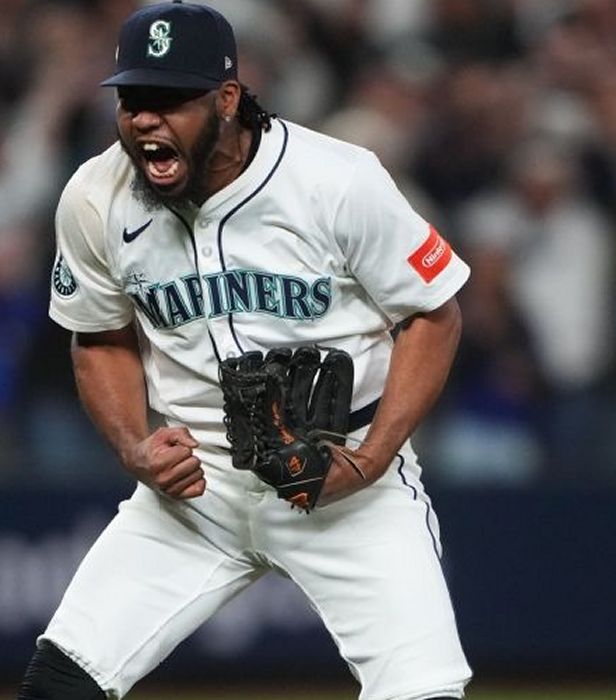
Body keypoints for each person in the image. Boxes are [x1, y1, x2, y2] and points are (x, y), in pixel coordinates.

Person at [17, 2, 472, 698]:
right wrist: (134, 447)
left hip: (344, 477)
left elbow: (433, 314)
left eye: (171, 100)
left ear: (227, 98)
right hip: (196, 489)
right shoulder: (95, 196)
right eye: (133, 100)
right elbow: (99, 336)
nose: (145, 120)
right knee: (60, 685)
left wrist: (374, 456)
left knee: (424, 693)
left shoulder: (335, 179)